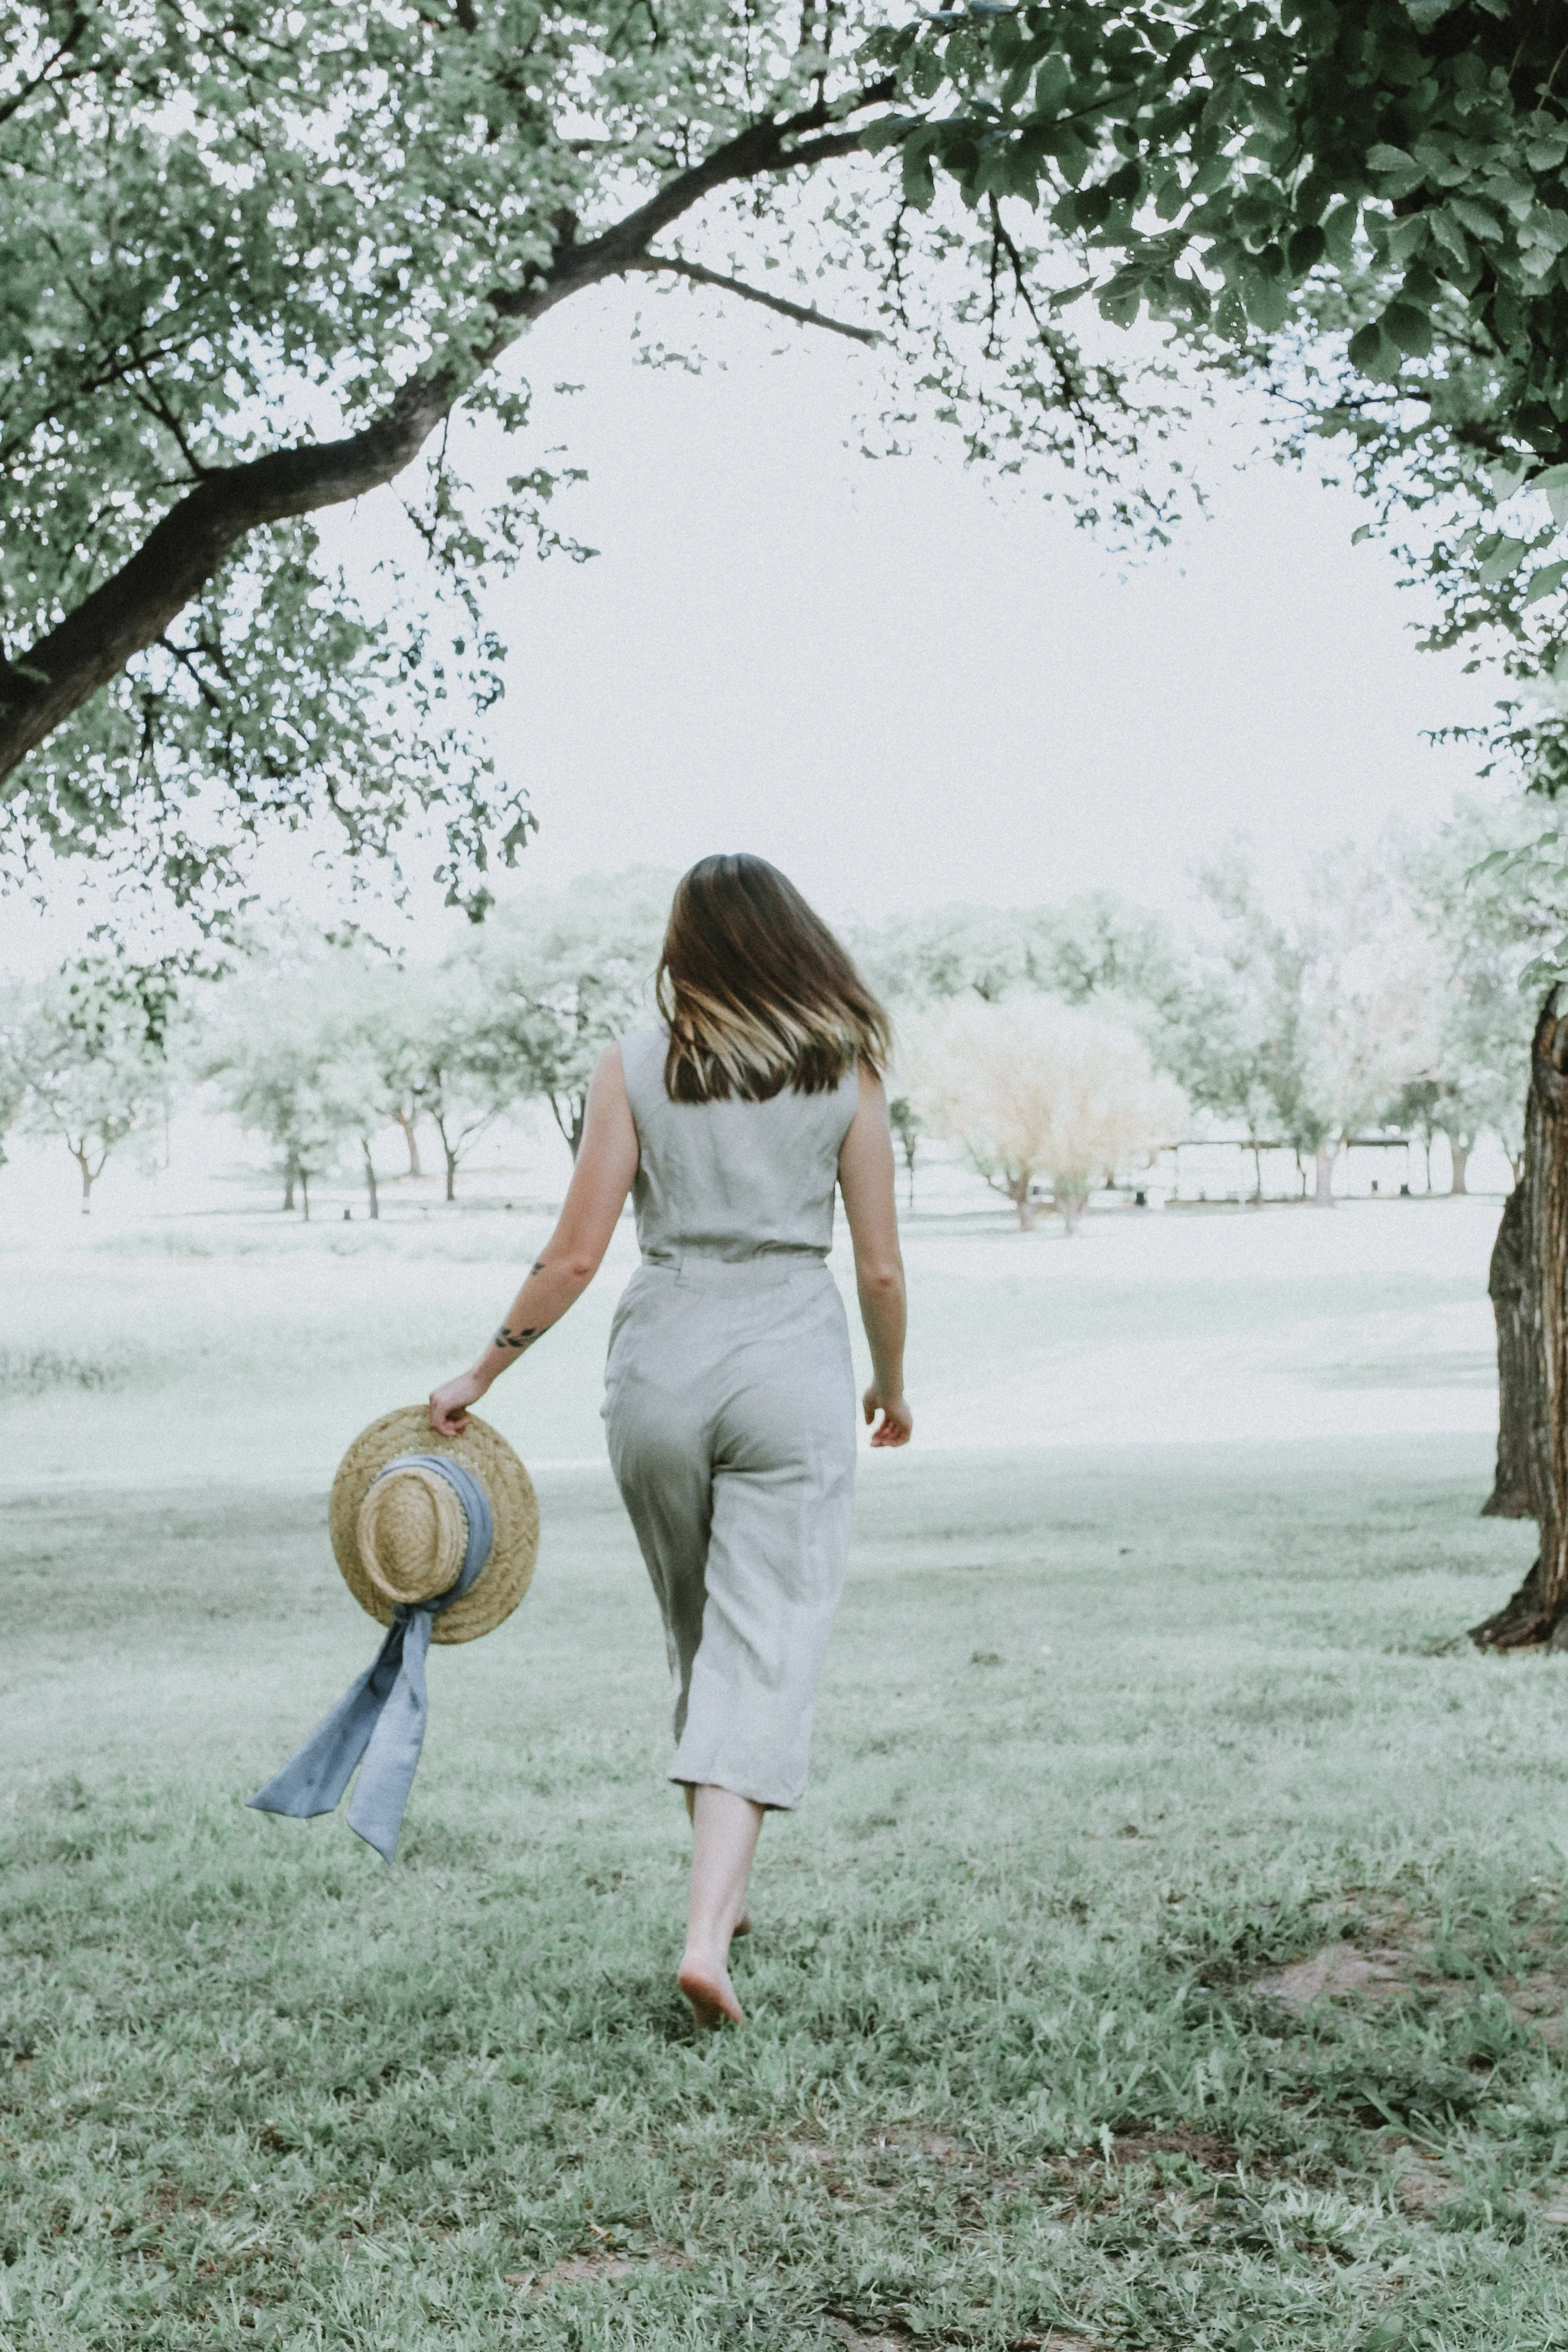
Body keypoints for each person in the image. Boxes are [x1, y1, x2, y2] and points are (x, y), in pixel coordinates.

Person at [429, 853, 911, 2026]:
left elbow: (578, 1253)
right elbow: (882, 1262)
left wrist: (483, 1368)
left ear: (687, 947)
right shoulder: (843, 1073)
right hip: (790, 1362)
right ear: (797, 941)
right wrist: (890, 1384)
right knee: (764, 1641)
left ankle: (721, 1894)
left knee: (703, 1636)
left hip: (659, 1369)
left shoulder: (635, 1066)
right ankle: (707, 1931)